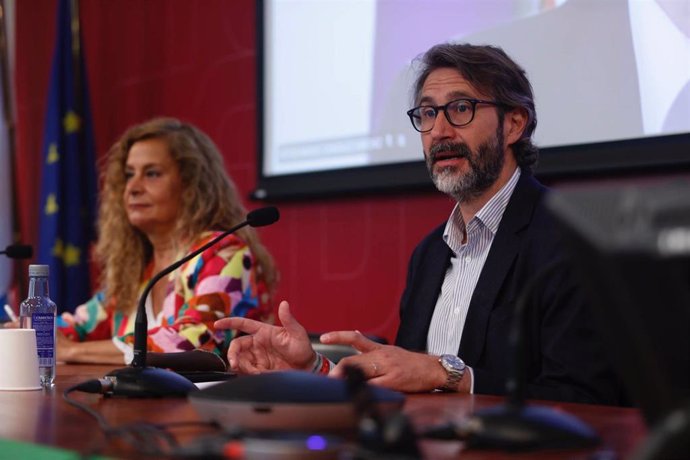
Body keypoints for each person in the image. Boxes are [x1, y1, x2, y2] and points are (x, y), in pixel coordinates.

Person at [215, 44, 620, 404]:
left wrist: (448, 375)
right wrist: (312, 370)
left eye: (461, 109)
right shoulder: (429, 253)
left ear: (514, 124)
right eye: (427, 113)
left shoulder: (570, 236)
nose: (439, 131)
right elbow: (406, 383)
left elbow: (590, 398)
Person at [56, 117, 277, 364]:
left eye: (151, 174)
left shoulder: (225, 254)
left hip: (208, 401)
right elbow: (77, 326)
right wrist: (29, 330)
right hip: (140, 402)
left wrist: (71, 351)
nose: (133, 188)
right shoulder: (136, 270)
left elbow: (194, 341)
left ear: (191, 185)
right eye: (129, 175)